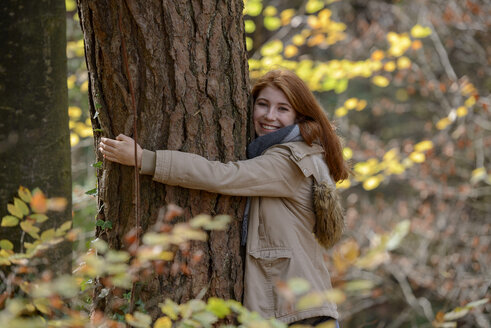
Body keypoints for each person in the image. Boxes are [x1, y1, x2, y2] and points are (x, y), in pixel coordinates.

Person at [99, 70, 348, 326]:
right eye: (262, 104)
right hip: (299, 309)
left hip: (300, 314)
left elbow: (223, 176)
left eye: (283, 109)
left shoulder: (289, 160)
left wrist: (146, 159)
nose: (269, 116)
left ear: (299, 114)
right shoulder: (295, 151)